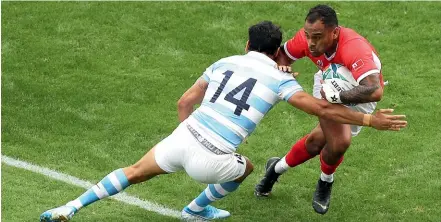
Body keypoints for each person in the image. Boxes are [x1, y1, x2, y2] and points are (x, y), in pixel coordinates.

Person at [40, 21, 406, 222]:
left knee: (133, 171)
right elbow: (323, 110)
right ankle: (196, 209)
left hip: (182, 138)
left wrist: (184, 132)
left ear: (247, 44)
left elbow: (185, 100)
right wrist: (371, 122)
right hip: (213, 158)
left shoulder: (224, 62)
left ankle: (69, 207)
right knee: (243, 167)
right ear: (277, 50)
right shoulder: (282, 80)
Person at [255, 5, 393, 215]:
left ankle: (275, 169)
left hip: (359, 92)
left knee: (318, 142)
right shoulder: (307, 38)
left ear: (334, 32)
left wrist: (338, 96)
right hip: (329, 84)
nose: (310, 44)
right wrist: (283, 66)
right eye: (308, 36)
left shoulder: (354, 47)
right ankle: (325, 182)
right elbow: (282, 55)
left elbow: (374, 90)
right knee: (340, 142)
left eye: (317, 37)